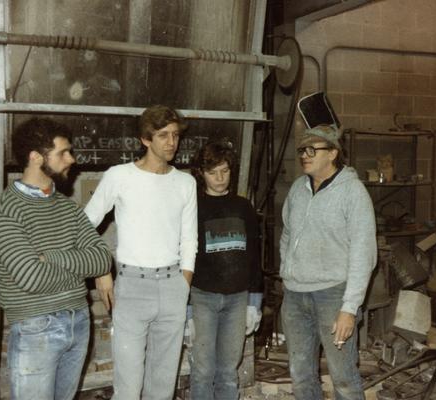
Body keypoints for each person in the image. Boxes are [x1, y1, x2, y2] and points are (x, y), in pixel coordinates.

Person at [0, 117, 113, 400]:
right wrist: (81, 266)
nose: (72, 159)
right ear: (35, 157)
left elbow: (102, 258)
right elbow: (31, 278)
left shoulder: (68, 207)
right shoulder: (4, 211)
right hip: (36, 328)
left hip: (79, 321)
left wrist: (52, 257)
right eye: (63, 153)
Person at [84, 105, 198, 400]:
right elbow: (83, 225)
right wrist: (101, 269)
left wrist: (183, 284)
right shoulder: (119, 176)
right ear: (146, 140)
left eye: (175, 135)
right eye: (163, 135)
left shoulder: (185, 182)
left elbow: (189, 240)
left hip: (172, 285)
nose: (172, 142)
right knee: (128, 388)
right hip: (132, 286)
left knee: (162, 388)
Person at [279, 124, 377, 400]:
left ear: (333, 153)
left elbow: (363, 254)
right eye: (302, 150)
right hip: (295, 296)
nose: (304, 155)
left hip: (333, 295)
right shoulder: (298, 188)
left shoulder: (353, 193)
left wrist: (349, 307)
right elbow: (287, 233)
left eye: (312, 149)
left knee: (343, 377)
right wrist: (288, 269)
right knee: (300, 376)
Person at [187, 141, 263, 400]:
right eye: (212, 172)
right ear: (201, 174)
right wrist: (186, 312)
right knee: (202, 370)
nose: (220, 178)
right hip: (202, 297)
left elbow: (255, 257)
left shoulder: (244, 207)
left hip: (237, 300)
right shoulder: (192, 208)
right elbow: (184, 260)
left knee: (229, 370)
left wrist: (254, 302)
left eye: (225, 171)